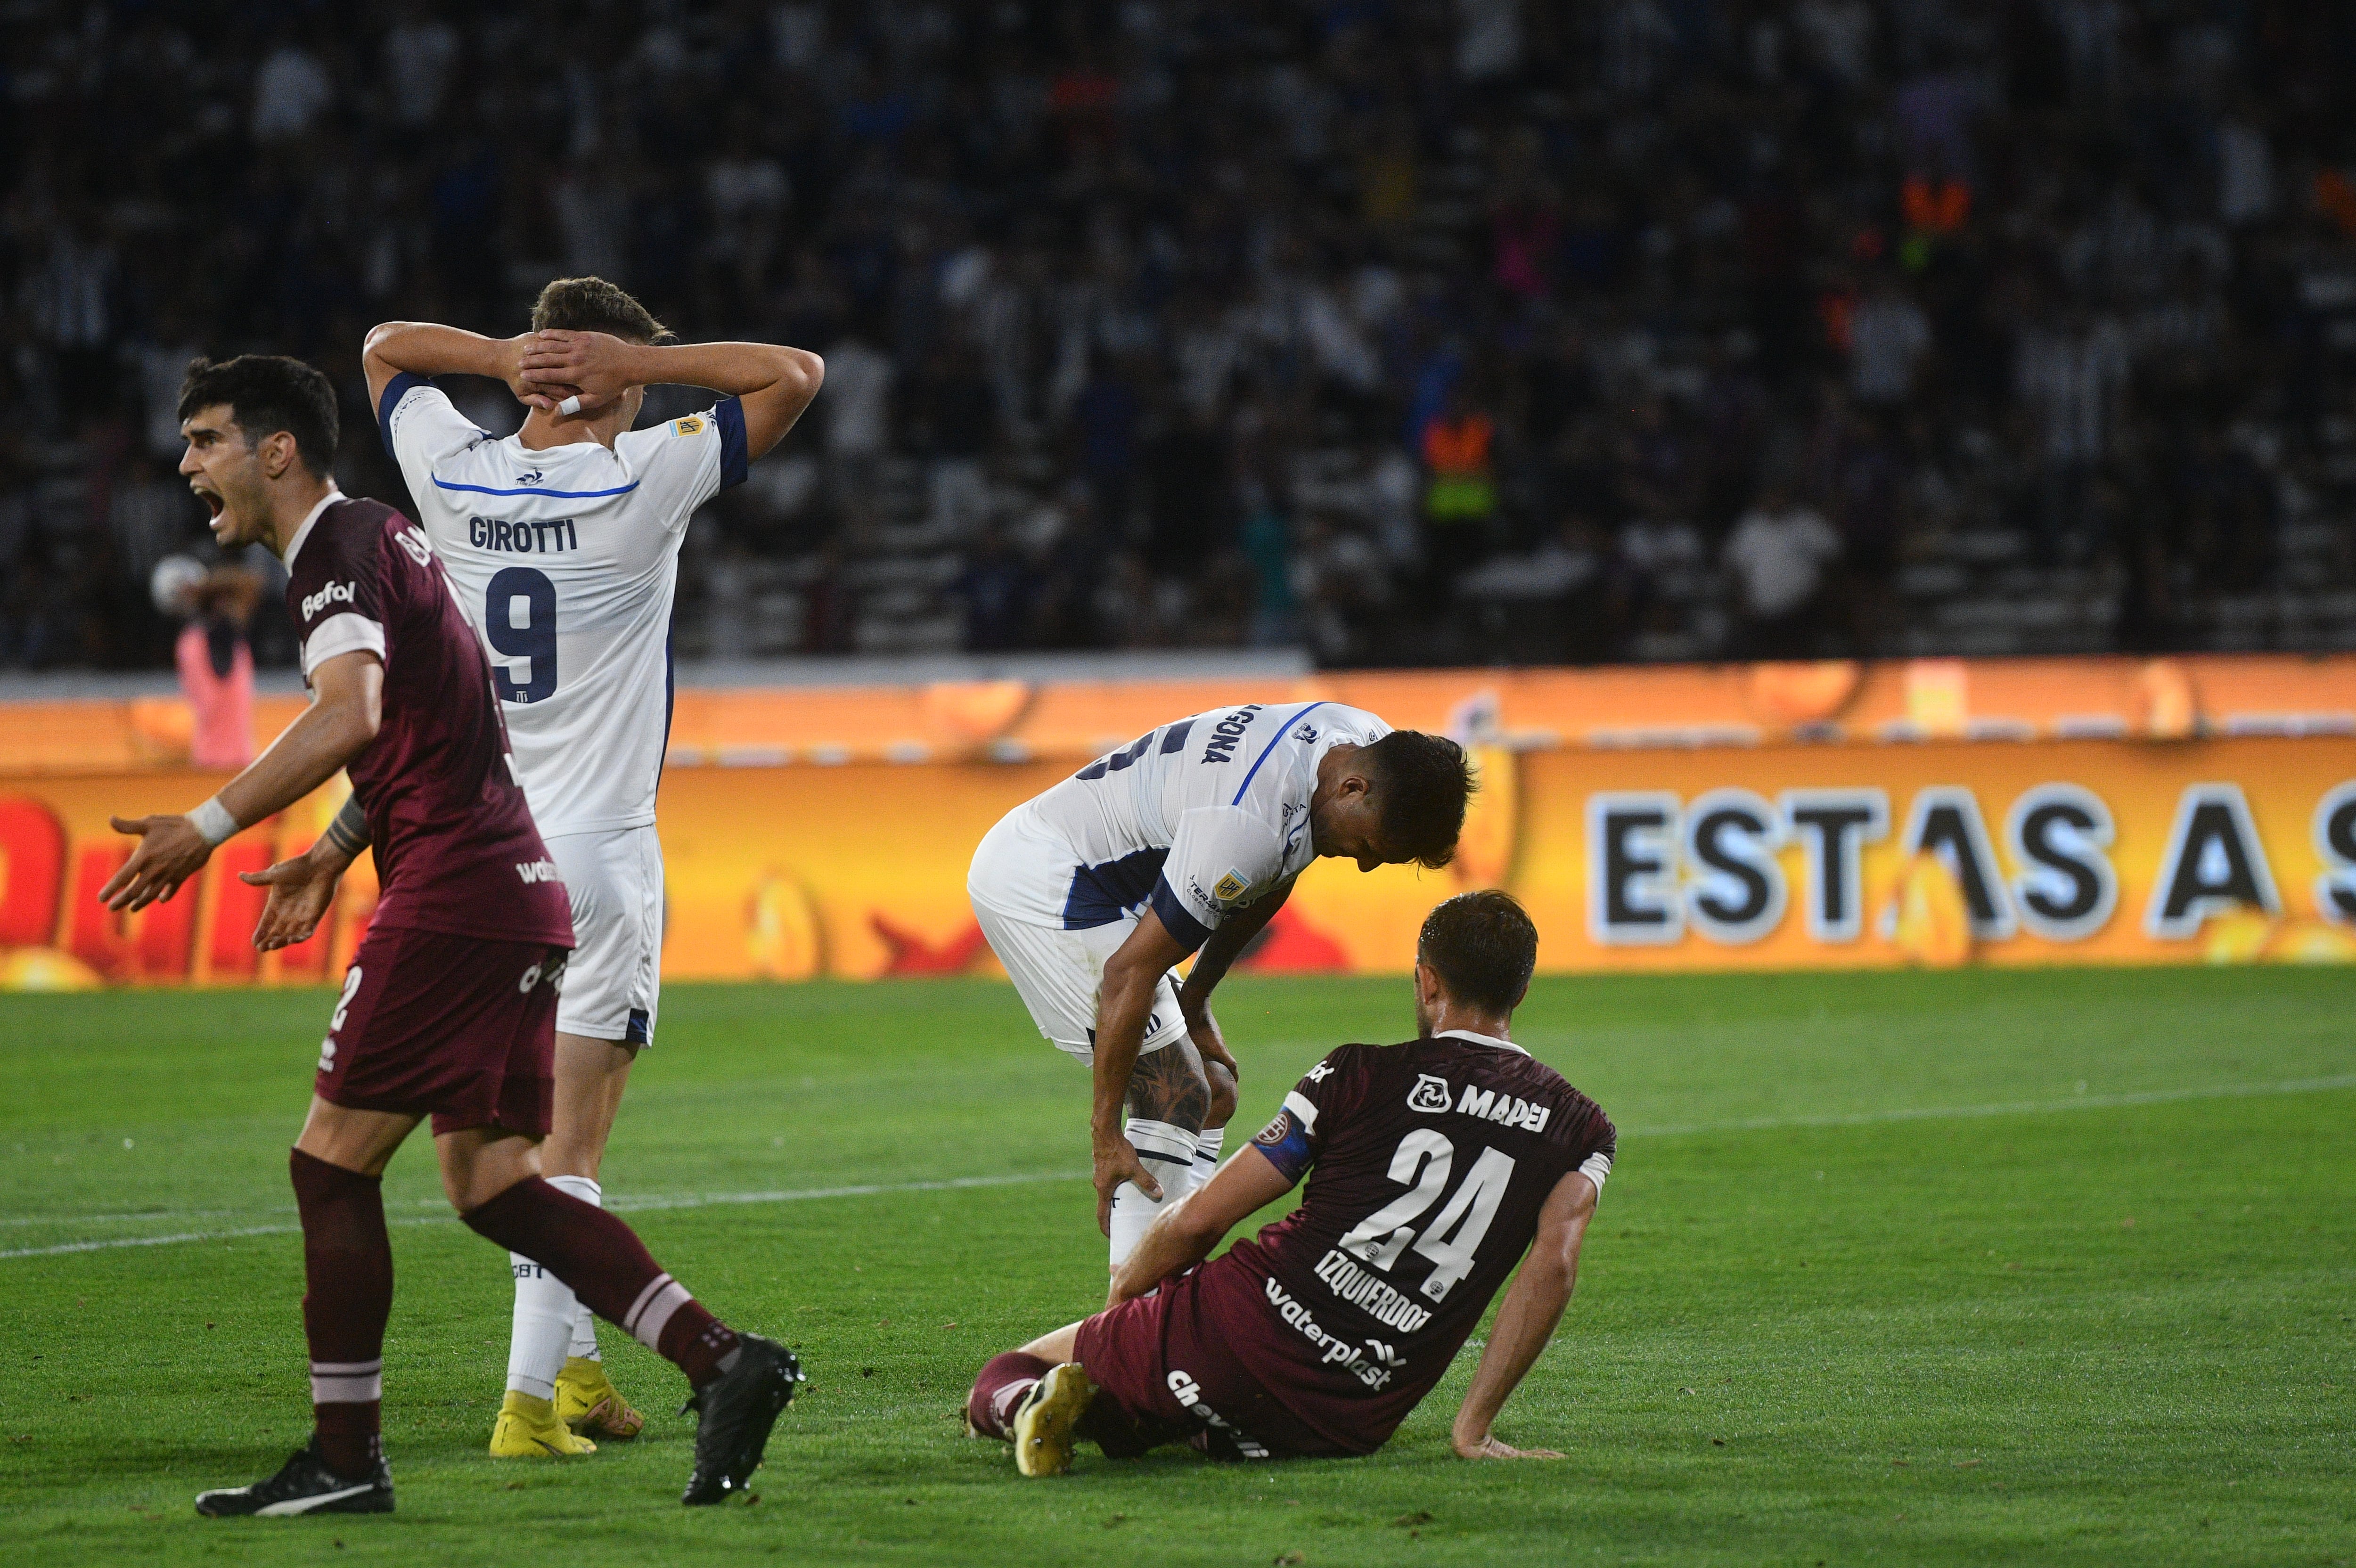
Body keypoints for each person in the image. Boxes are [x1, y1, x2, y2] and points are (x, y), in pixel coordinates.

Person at [102, 355, 800, 1515]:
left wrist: (210, 823)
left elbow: (353, 710)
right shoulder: (391, 542)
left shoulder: (336, 552)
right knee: (492, 1179)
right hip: (517, 890)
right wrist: (331, 853)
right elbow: (447, 707)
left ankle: (343, 1458)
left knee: (329, 1164)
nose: (188, 466)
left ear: (277, 450)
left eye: (208, 440)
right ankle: (725, 1360)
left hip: (456, 898)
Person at [350, 279, 822, 1458]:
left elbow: (382, 348)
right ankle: (522, 1404)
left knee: (506, 1141)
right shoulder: (646, 473)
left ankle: (574, 1379)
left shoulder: (450, 465)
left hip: (467, 855)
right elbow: (794, 374)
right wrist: (636, 368)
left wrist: (509, 354)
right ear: (614, 377)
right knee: (568, 1155)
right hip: (595, 857)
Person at [965, 890, 1616, 1472]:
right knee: (1174, 1406)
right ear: (1520, 992)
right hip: (1350, 1416)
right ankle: (1176, 1419)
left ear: (1427, 982)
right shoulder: (1583, 1130)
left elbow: (1201, 1220)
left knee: (1008, 1372)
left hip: (1234, 1330)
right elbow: (1553, 1266)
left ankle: (1027, 1403)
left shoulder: (1357, 1074)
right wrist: (1473, 1428)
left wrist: (1123, 1309)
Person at [966, 709, 1474, 1276]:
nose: (1365, 863)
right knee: (1173, 1092)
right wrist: (1105, 1135)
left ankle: (1173, 1282)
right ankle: (1132, 1323)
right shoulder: (1243, 822)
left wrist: (1197, 995)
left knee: (1214, 1089)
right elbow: (1125, 977)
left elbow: (1276, 870)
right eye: (1371, 844)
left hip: (1103, 878)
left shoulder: (1360, 740)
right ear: (1352, 788)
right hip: (1042, 882)